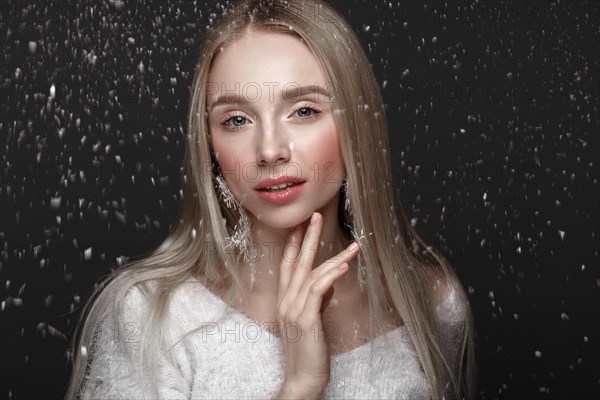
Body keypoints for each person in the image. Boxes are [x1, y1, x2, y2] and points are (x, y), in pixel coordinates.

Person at [66, 0, 476, 399]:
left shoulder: (432, 303)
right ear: (210, 144)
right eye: (237, 120)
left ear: (356, 122)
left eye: (303, 111)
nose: (269, 150)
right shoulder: (154, 318)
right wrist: (298, 389)